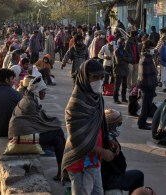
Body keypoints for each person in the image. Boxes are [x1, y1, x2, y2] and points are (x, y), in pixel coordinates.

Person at [61, 59, 119, 195]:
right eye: (95, 77)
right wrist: (101, 151)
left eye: (101, 77)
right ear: (84, 78)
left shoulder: (98, 98)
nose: (99, 81)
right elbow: (76, 139)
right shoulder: (75, 104)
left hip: (93, 162)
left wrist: (109, 140)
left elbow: (101, 124)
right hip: (80, 162)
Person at [8, 76, 66, 181]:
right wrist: (53, 125)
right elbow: (39, 124)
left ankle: (62, 171)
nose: (45, 93)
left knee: (58, 138)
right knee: (58, 132)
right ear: (37, 91)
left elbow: (39, 121)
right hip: (20, 138)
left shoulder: (29, 98)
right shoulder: (30, 104)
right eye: (43, 91)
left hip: (22, 134)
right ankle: (63, 171)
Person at [102, 109, 144, 194]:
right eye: (119, 124)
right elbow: (120, 168)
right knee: (138, 175)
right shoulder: (109, 143)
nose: (120, 126)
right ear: (111, 126)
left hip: (106, 176)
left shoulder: (107, 138)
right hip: (107, 180)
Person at [137, 40, 157, 130]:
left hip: (149, 85)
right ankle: (141, 123)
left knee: (147, 105)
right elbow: (147, 75)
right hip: (147, 86)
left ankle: (143, 121)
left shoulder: (146, 57)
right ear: (148, 49)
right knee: (145, 106)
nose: (153, 49)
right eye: (152, 48)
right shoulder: (145, 59)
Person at [113, 38, 130, 104]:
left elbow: (130, 58)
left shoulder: (124, 51)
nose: (124, 44)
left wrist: (124, 59)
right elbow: (118, 61)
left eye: (124, 43)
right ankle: (116, 99)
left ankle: (123, 98)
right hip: (118, 70)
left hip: (125, 70)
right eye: (122, 43)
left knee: (124, 86)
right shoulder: (116, 51)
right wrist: (125, 60)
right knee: (117, 86)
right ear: (119, 43)